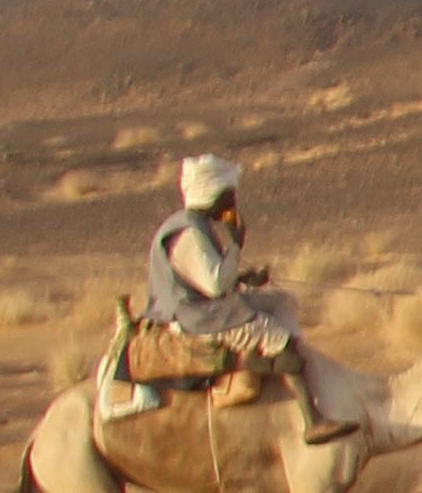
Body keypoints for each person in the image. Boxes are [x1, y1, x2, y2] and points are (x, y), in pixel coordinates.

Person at [141, 154, 346, 435]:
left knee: (283, 302)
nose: (232, 202)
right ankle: (313, 420)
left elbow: (204, 279)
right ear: (213, 195)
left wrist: (243, 279)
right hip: (196, 318)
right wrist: (236, 245)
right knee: (278, 336)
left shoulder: (196, 226)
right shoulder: (188, 233)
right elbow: (215, 285)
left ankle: (279, 363)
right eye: (228, 195)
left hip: (205, 308)